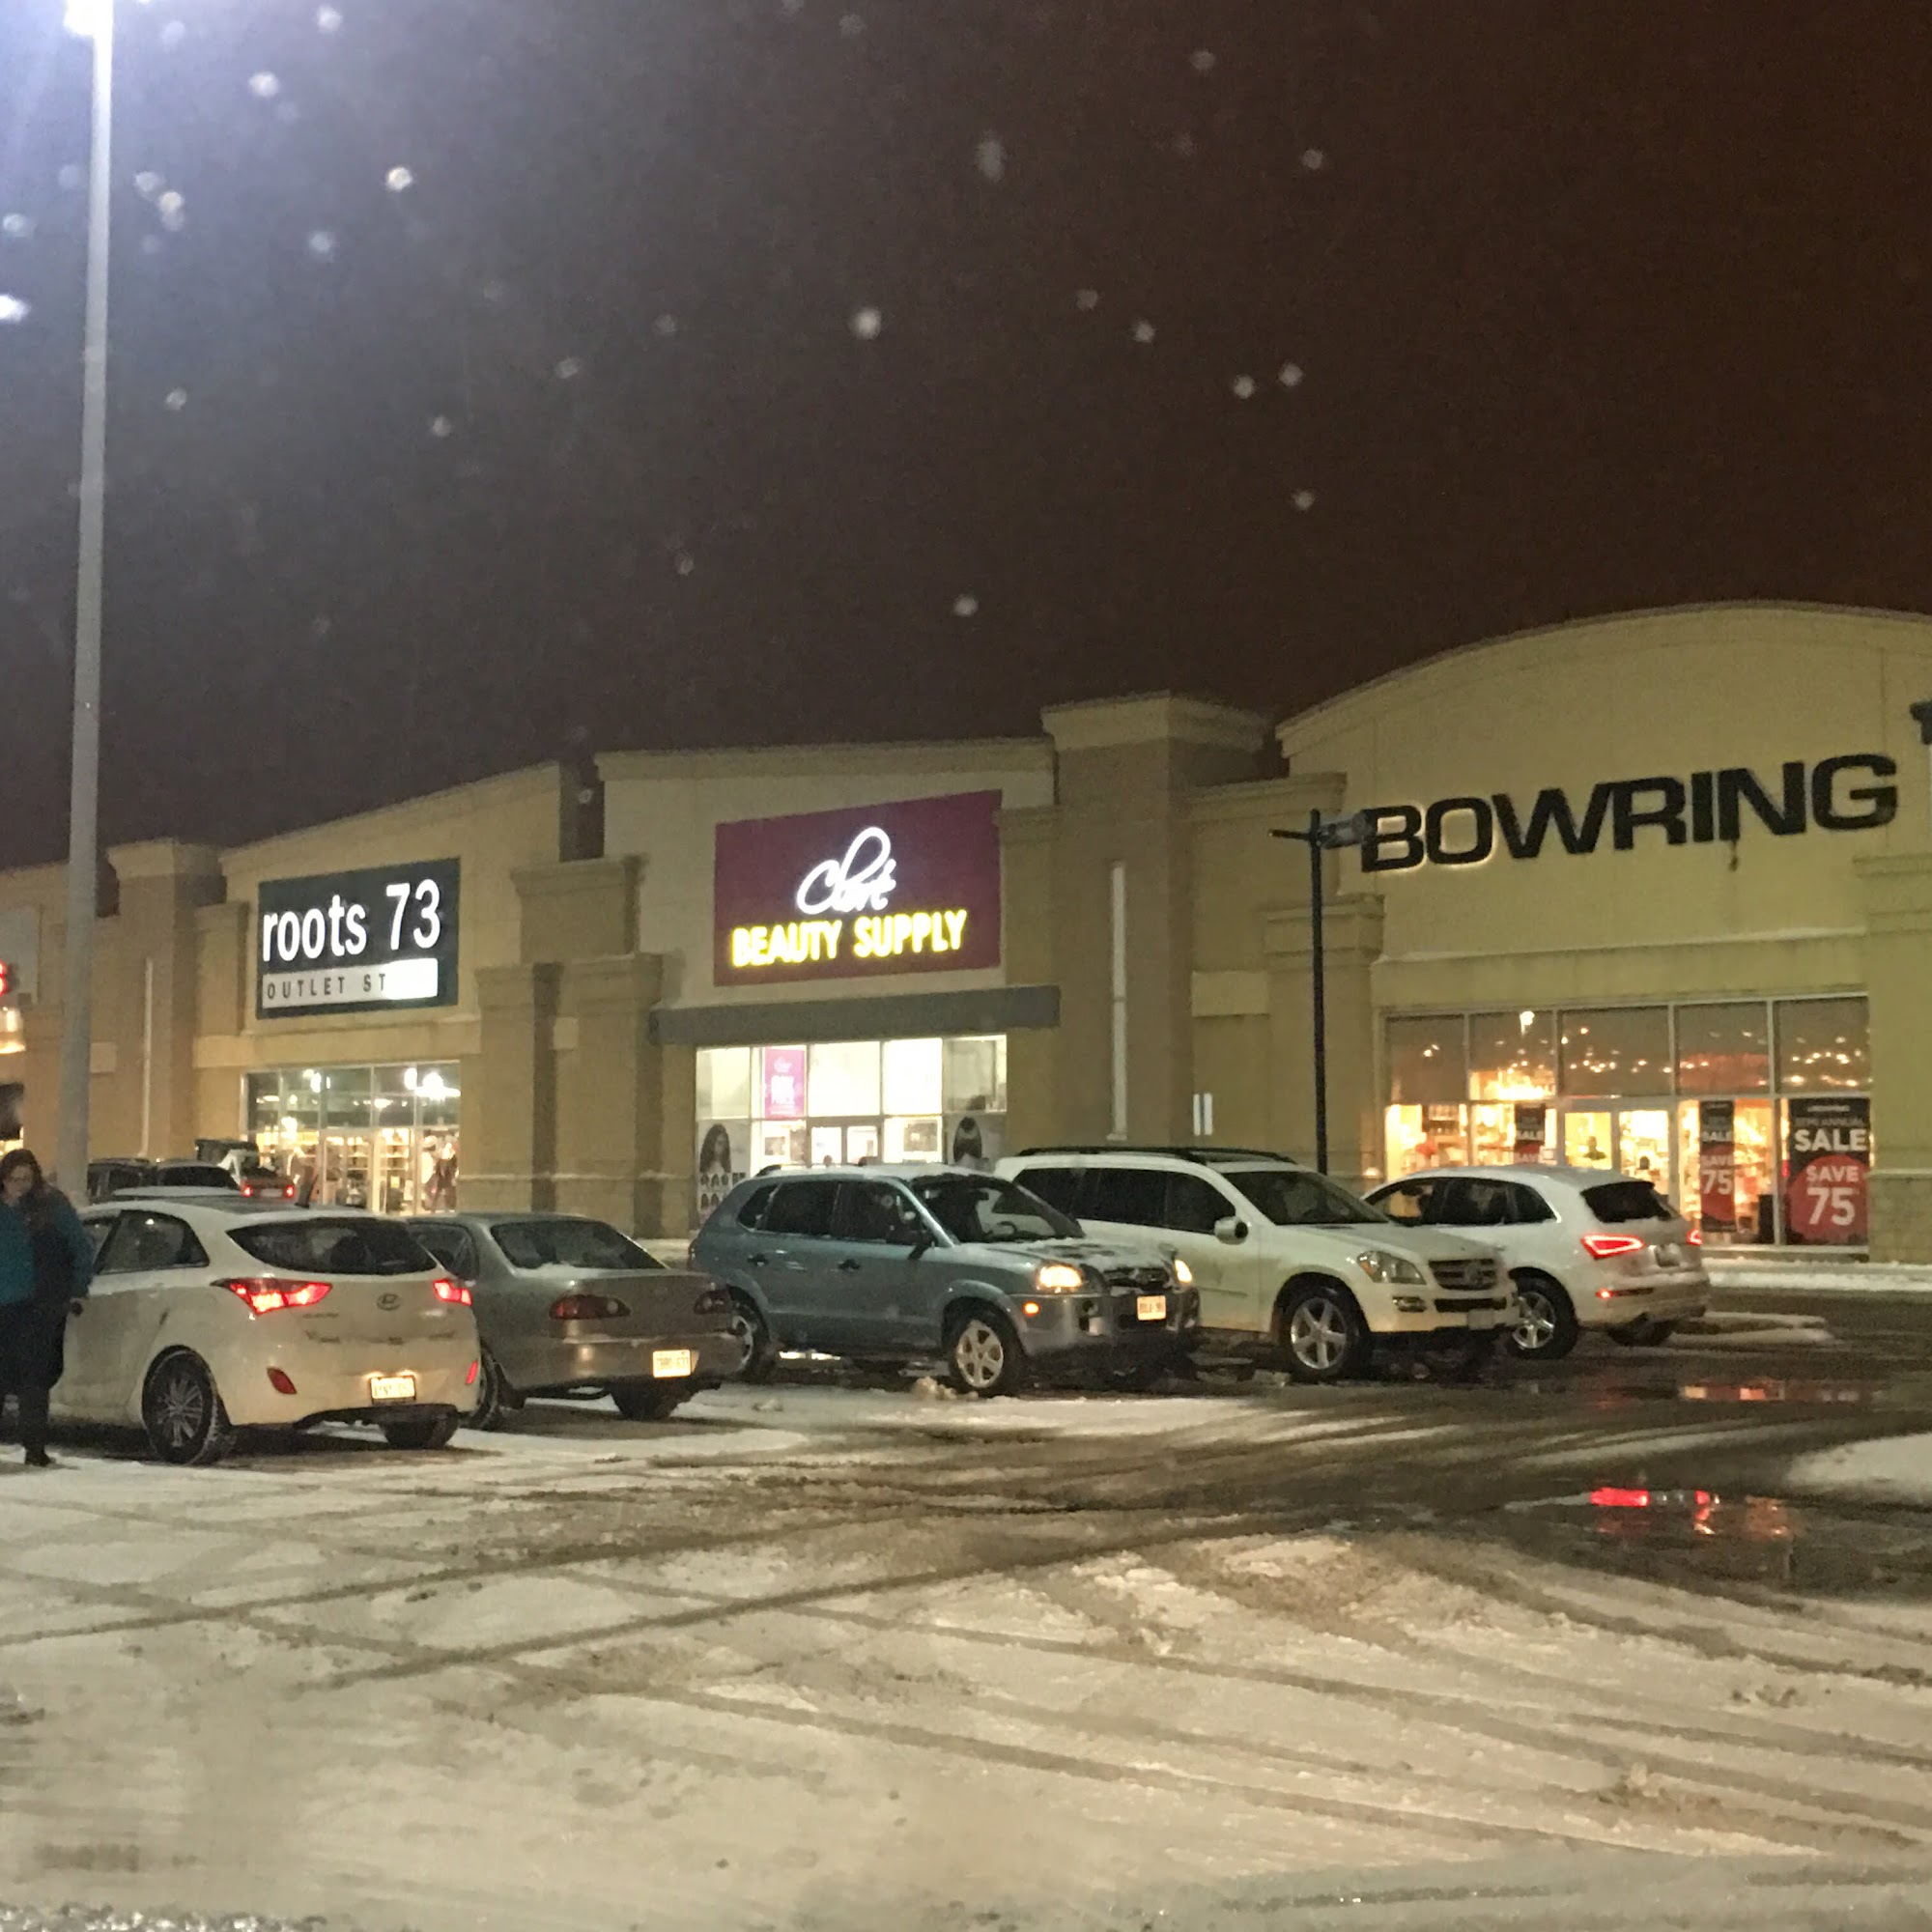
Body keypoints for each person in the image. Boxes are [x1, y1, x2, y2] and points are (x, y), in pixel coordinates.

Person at [0, 1150, 95, 1469]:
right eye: (13, 1180)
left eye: (26, 1179)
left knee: (35, 1378)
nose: (20, 1186)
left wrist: (77, 1288)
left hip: (37, 1305)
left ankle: (35, 1448)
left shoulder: (51, 1207)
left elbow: (79, 1246)